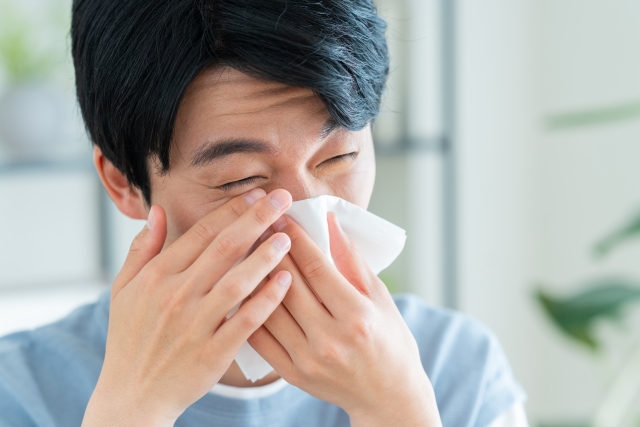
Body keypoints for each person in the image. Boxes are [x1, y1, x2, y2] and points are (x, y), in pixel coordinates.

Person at [0, 0, 527, 426]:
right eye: (241, 180)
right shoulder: (20, 394)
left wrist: (395, 410)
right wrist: (131, 412)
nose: (303, 210)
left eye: (338, 157)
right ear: (123, 181)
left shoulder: (458, 371)